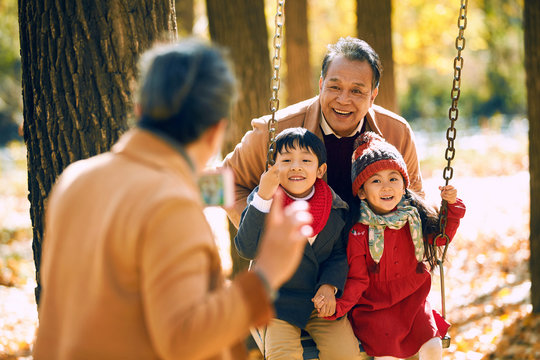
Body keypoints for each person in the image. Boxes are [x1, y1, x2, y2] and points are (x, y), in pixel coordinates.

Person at [33, 39, 314, 360]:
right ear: (215, 130)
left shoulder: (76, 180)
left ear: (140, 110)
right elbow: (183, 339)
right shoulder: (170, 204)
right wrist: (265, 275)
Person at [221, 36, 423, 228]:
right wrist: (259, 233)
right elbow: (220, 182)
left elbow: (416, 197)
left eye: (356, 91)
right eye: (334, 87)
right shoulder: (274, 130)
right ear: (321, 85)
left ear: (373, 95)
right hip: (299, 257)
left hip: (371, 258)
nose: (343, 100)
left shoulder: (397, 132)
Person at [320, 132, 466, 360]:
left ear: (404, 185)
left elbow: (441, 238)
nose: (386, 187)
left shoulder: (414, 218)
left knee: (433, 347)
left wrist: (451, 206)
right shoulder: (359, 231)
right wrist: (340, 307)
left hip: (413, 300)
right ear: (361, 191)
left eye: (393, 179)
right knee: (387, 356)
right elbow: (358, 278)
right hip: (376, 308)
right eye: (376, 181)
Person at [235, 127, 363, 359]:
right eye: (286, 160)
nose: (296, 166)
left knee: (345, 353)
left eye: (305, 160)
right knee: (282, 354)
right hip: (278, 301)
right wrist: (263, 197)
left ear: (321, 170)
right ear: (273, 169)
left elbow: (337, 254)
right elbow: (247, 249)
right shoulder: (264, 202)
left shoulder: (334, 207)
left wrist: (330, 286)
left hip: (318, 299)